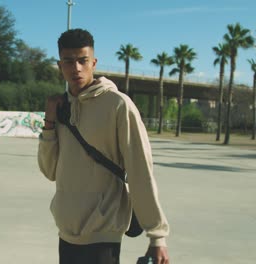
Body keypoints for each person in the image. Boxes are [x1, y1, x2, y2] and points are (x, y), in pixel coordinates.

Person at [37, 28, 170, 264]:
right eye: (68, 61)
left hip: (103, 233)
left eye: (82, 60)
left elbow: (141, 171)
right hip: (67, 231)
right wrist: (49, 124)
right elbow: (50, 171)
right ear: (60, 66)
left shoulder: (118, 105)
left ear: (94, 62)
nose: (76, 68)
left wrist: (157, 236)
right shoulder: (61, 107)